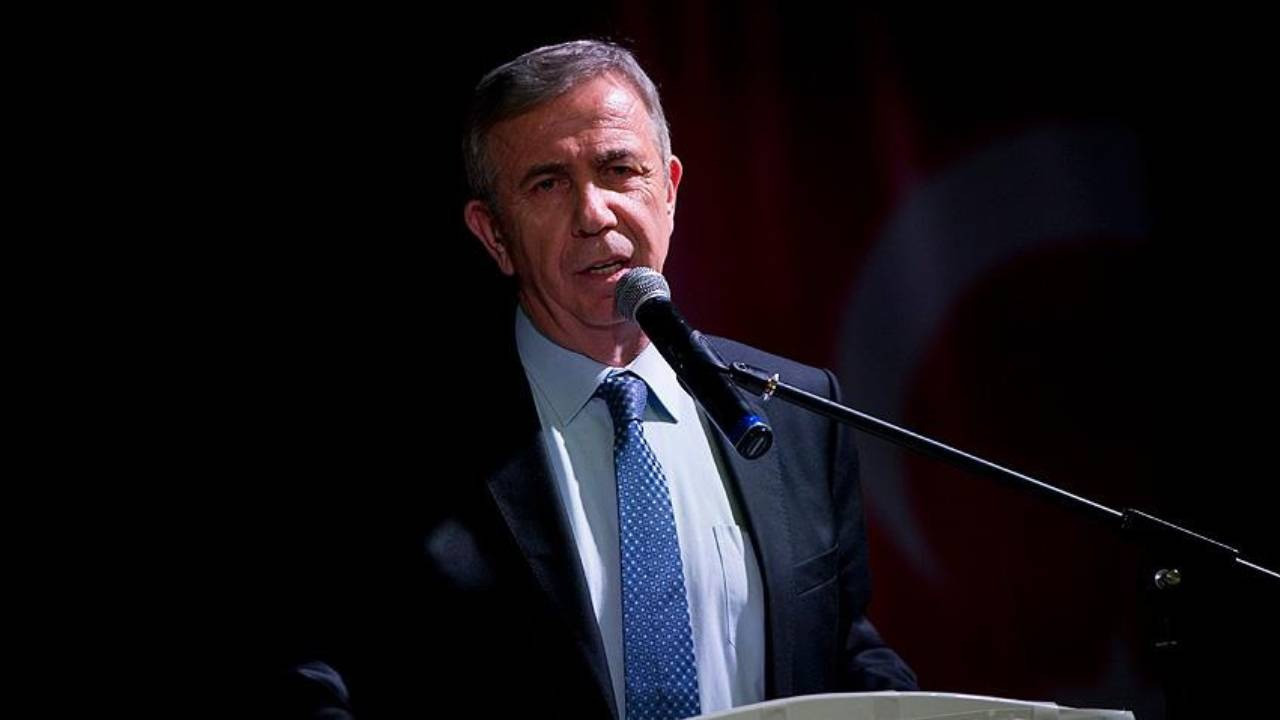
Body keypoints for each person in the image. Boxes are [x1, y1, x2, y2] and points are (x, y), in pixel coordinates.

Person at [279, 39, 915, 719]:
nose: (594, 213)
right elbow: (318, 675)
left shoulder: (798, 414)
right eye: (547, 184)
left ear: (668, 190)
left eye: (619, 170)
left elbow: (838, 647)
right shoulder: (395, 442)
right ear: (494, 234)